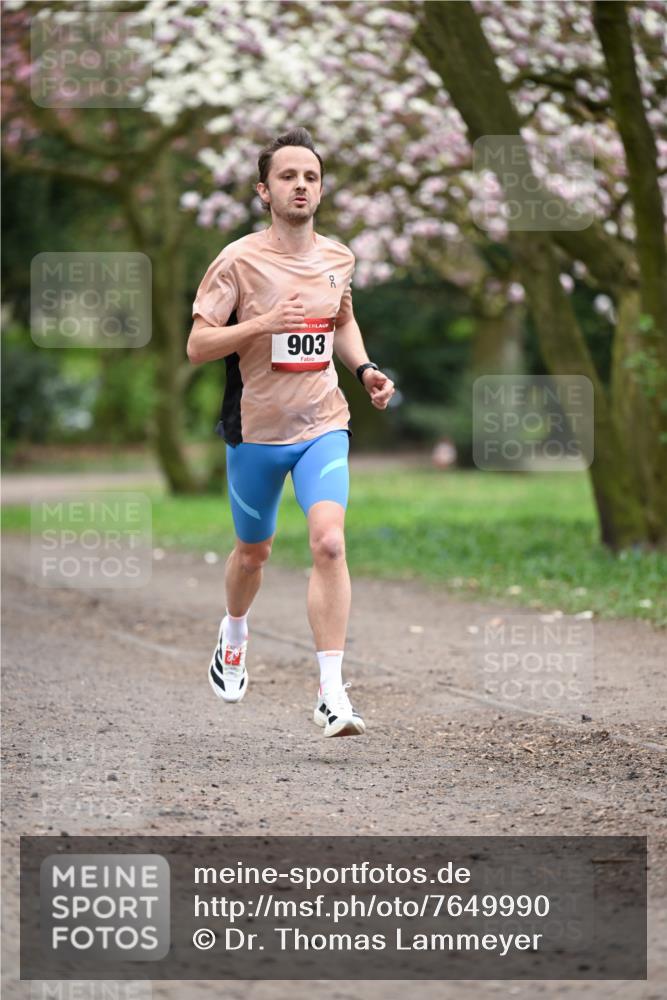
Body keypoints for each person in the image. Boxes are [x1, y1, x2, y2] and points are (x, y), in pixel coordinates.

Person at [187, 127, 394, 737]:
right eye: (287, 176)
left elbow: (342, 322)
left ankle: (332, 693)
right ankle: (233, 632)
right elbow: (197, 345)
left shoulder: (338, 258)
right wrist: (261, 324)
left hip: (323, 424)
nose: (299, 185)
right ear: (263, 190)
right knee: (254, 552)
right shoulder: (237, 260)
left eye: (310, 177)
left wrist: (364, 369)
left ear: (321, 190)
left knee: (329, 542)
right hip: (255, 432)